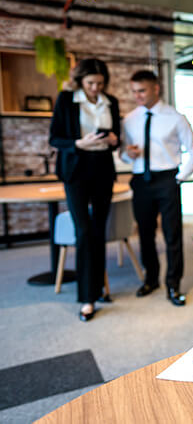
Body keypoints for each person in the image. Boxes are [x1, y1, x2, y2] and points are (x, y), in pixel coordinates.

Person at [120, 70, 193, 306]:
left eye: (142, 91)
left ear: (156, 88)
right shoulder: (129, 119)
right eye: (134, 91)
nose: (137, 96)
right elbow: (124, 155)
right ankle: (151, 279)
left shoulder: (176, 117)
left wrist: (179, 178)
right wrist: (128, 154)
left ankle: (173, 285)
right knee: (144, 234)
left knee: (172, 234)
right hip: (140, 180)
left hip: (167, 180)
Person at [49, 58, 120, 321]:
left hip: (102, 169)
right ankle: (86, 298)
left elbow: (116, 138)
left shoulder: (110, 101)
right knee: (84, 231)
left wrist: (114, 140)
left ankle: (99, 289)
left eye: (100, 83)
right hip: (76, 171)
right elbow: (54, 137)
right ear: (80, 81)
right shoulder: (67, 99)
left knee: (99, 230)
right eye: (91, 83)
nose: (95, 88)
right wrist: (79, 142)